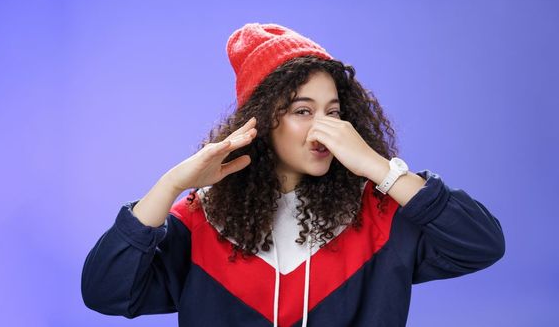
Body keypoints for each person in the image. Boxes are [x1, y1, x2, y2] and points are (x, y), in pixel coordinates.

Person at [80, 23, 505, 327]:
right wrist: (171, 184)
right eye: (303, 111)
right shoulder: (200, 221)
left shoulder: (380, 213)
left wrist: (377, 166)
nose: (326, 128)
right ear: (263, 122)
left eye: (334, 113)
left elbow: (481, 243)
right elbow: (107, 293)